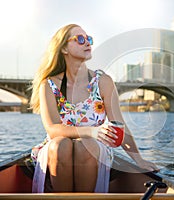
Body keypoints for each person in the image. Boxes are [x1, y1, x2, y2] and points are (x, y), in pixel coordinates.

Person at [30, 24, 159, 193]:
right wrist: (92, 131)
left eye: (88, 39)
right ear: (64, 49)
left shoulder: (103, 81)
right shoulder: (49, 84)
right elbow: (53, 129)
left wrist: (138, 159)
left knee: (87, 145)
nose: (87, 43)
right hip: (56, 149)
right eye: (80, 39)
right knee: (60, 144)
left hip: (94, 149)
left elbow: (118, 125)